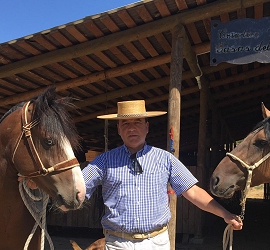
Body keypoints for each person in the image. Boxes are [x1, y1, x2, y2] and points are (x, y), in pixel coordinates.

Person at [82, 100, 243, 250]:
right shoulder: (103, 161)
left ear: (147, 127)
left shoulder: (165, 159)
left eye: (137, 122)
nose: (131, 128)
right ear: (118, 129)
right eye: (125, 123)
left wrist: (225, 214)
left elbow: (192, 191)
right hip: (118, 243)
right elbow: (78, 188)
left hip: (156, 243)